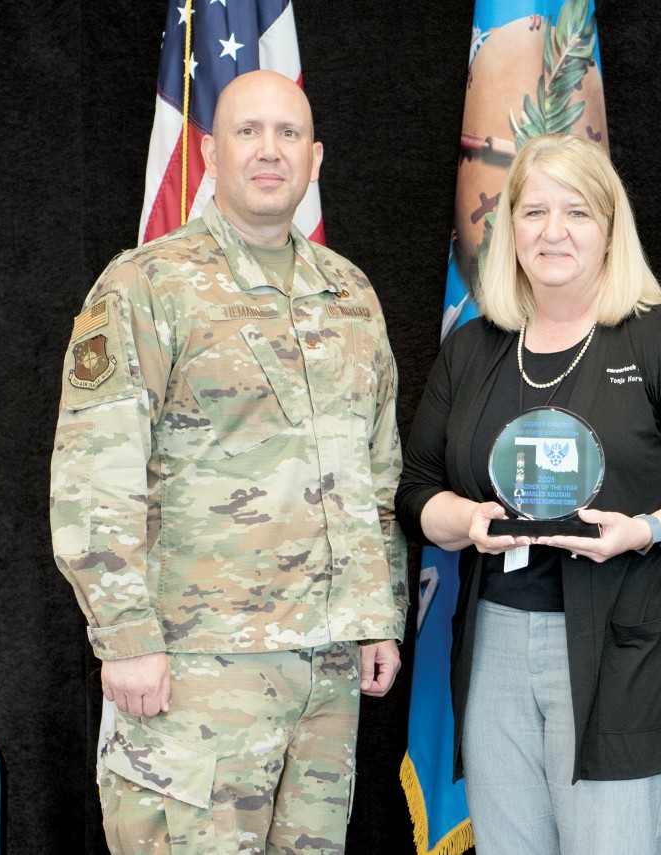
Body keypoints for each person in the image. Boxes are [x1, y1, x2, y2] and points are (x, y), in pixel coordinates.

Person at [50, 70, 407, 854]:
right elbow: (94, 473)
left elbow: (375, 471)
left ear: (316, 158)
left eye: (288, 135)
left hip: (327, 667)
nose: (269, 151)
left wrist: (379, 614)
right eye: (249, 132)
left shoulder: (350, 294)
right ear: (211, 151)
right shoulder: (147, 284)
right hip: (195, 665)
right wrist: (126, 635)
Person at [396, 133, 661, 855]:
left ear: (609, 228)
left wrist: (644, 529)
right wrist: (468, 519)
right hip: (495, 641)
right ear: (510, 229)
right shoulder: (473, 350)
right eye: (534, 212)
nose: (553, 231)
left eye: (576, 212)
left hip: (627, 656)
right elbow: (414, 493)